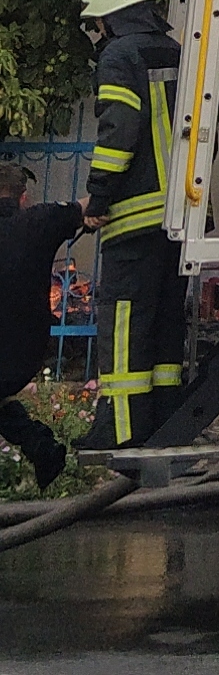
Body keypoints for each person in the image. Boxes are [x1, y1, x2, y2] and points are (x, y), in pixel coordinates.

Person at [71, 0, 185, 451]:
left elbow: (119, 130)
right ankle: (164, 424)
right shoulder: (176, 50)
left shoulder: (119, 55)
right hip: (180, 221)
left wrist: (98, 198)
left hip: (135, 216)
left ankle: (117, 430)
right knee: (164, 325)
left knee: (124, 323)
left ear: (109, 18)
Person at [1, 160, 85, 488]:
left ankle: (41, 446)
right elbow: (87, 206)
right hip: (28, 352)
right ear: (23, 197)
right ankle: (42, 447)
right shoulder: (40, 220)